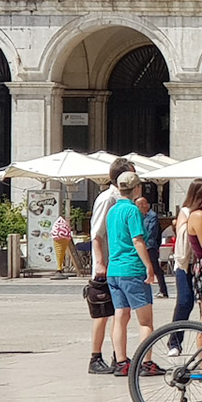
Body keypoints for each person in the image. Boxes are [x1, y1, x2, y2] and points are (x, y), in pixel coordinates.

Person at [104, 172, 163, 377]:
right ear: (137, 188)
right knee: (145, 320)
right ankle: (146, 362)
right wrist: (149, 265)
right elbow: (138, 240)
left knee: (120, 315)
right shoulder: (132, 211)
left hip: (114, 269)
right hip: (132, 268)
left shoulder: (112, 211)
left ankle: (121, 362)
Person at [86, 157, 136, 374]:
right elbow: (96, 233)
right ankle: (95, 357)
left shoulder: (121, 199)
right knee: (102, 311)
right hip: (107, 263)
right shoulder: (108, 199)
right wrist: (99, 263)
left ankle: (119, 355)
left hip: (116, 262)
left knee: (119, 311)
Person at [167, 180, 202, 356]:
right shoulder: (187, 212)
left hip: (196, 264)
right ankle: (174, 341)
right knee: (184, 301)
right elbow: (184, 235)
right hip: (185, 264)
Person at [139, 195, 168, 299]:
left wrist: (142, 239)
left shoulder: (152, 216)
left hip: (150, 246)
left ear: (145, 205)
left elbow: (151, 232)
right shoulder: (141, 216)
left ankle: (163, 290)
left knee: (155, 268)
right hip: (144, 245)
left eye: (139, 205)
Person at [50, 212, 74, 277]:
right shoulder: (64, 225)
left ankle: (59, 268)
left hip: (59, 236)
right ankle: (59, 268)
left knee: (60, 254)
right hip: (63, 236)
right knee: (60, 254)